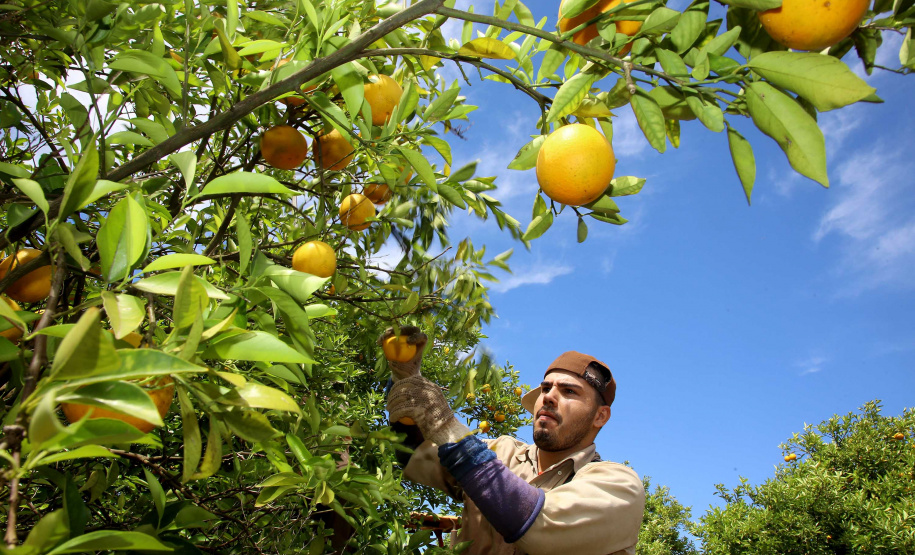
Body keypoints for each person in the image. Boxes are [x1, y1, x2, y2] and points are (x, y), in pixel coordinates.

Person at [384, 327, 645, 555]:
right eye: (545, 388)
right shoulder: (500, 453)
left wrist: (446, 428)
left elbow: (534, 523)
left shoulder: (618, 487)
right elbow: (414, 454)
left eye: (568, 391)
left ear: (600, 416)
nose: (548, 397)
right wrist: (403, 381)